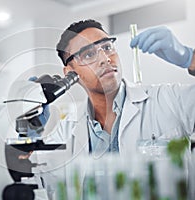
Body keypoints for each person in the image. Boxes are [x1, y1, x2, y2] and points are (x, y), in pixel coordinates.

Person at [41, 19, 195, 159]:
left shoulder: (168, 100)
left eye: (107, 47)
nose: (105, 59)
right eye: (88, 54)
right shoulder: (66, 130)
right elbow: (33, 173)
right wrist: (31, 127)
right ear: (70, 72)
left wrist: (190, 59)